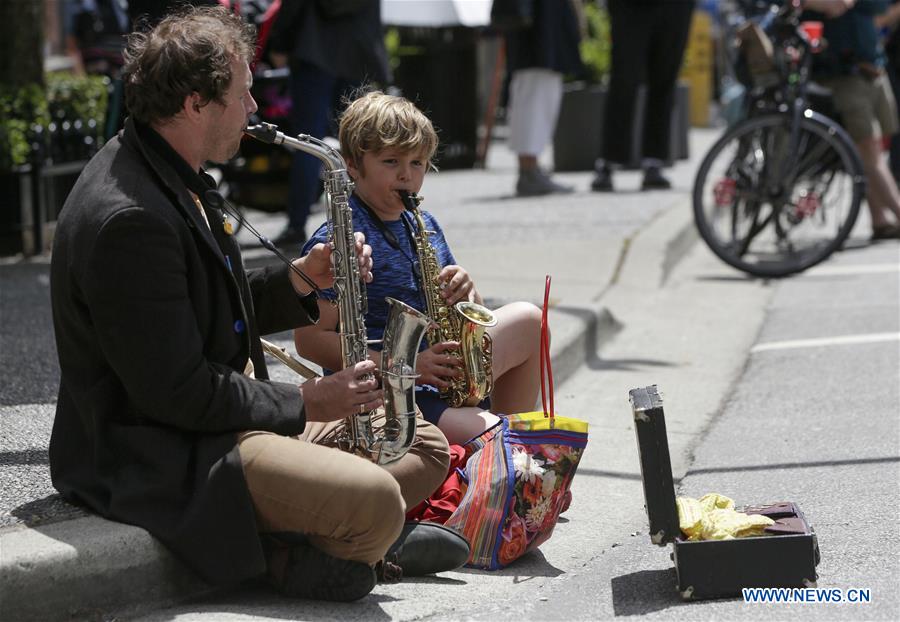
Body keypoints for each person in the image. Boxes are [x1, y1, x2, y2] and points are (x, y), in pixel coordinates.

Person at [48, 6, 467, 604]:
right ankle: (314, 546)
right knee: (375, 500)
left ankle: (339, 538)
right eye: (243, 95)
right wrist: (305, 401)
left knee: (423, 444)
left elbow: (204, 305)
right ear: (196, 103)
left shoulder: (164, 165)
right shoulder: (130, 220)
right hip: (164, 450)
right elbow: (177, 395)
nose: (254, 111)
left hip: (216, 416)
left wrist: (300, 279)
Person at [295, 90, 544, 445]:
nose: (407, 176)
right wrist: (406, 367)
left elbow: (469, 312)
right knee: (503, 440)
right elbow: (310, 341)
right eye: (391, 162)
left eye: (417, 163)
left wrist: (467, 290)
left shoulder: (423, 222)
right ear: (352, 164)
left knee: (530, 320)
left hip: (441, 374)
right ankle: (499, 449)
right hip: (394, 396)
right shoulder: (340, 241)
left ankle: (504, 449)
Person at [266, 0, 390, 248]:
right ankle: (375, 220)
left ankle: (296, 224)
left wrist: (279, 42)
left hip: (315, 48)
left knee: (308, 142)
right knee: (361, 141)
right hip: (358, 48)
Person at [809, 0, 900, 239]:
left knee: (873, 151)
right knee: (868, 149)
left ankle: (879, 220)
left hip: (871, 68)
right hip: (843, 73)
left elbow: (879, 9)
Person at [591, 0, 695, 192]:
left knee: (665, 79)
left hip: (675, 7)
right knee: (623, 78)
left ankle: (654, 162)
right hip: (630, 7)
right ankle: (609, 160)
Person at [498, 0, 583, 197]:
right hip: (538, 24)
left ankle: (531, 168)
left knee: (538, 90)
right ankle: (529, 168)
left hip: (539, 24)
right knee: (535, 92)